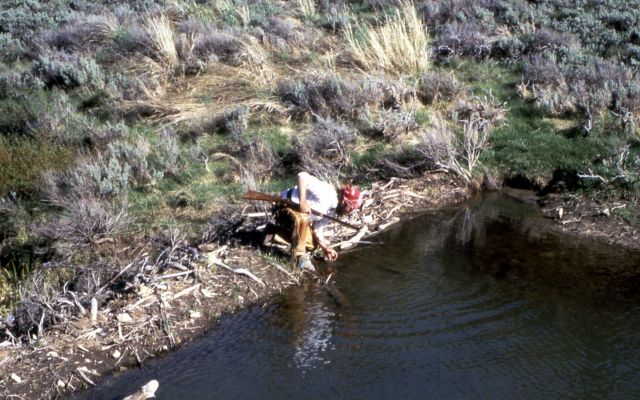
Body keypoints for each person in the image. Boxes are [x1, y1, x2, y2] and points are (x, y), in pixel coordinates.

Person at [269, 172, 362, 272]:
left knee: (313, 244)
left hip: (296, 221)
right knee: (304, 218)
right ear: (344, 202)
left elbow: (317, 229)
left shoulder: (332, 211)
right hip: (284, 206)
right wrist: (302, 202)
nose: (350, 211)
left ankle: (273, 233)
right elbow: (302, 176)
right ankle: (300, 257)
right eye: (350, 208)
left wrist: (326, 248)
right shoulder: (327, 193)